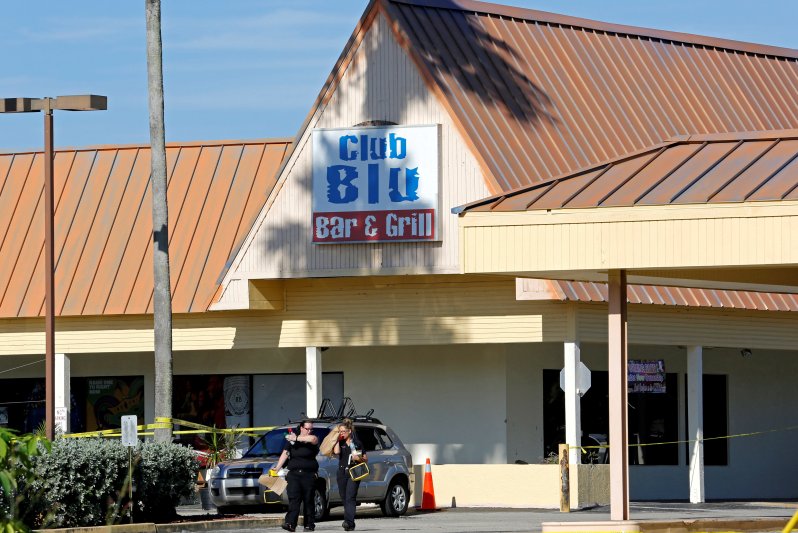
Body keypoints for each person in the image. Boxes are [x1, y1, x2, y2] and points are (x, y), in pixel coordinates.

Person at [270, 420, 320, 532]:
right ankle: (290, 523)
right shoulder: (292, 440)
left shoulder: (313, 439)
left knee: (308, 500)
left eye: (311, 429)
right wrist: (277, 467)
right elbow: (285, 453)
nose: (310, 431)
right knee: (294, 499)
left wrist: (295, 438)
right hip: (294, 474)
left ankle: (309, 524)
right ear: (301, 428)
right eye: (307, 429)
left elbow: (312, 439)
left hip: (309, 474)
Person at [333, 418, 367, 532]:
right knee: (344, 497)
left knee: (350, 497)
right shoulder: (341, 443)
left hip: (354, 471)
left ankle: (349, 522)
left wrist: (359, 458)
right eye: (340, 431)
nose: (341, 433)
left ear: (349, 431)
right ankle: (349, 522)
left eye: (343, 431)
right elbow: (337, 452)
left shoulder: (357, 443)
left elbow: (365, 459)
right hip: (342, 472)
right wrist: (337, 439)